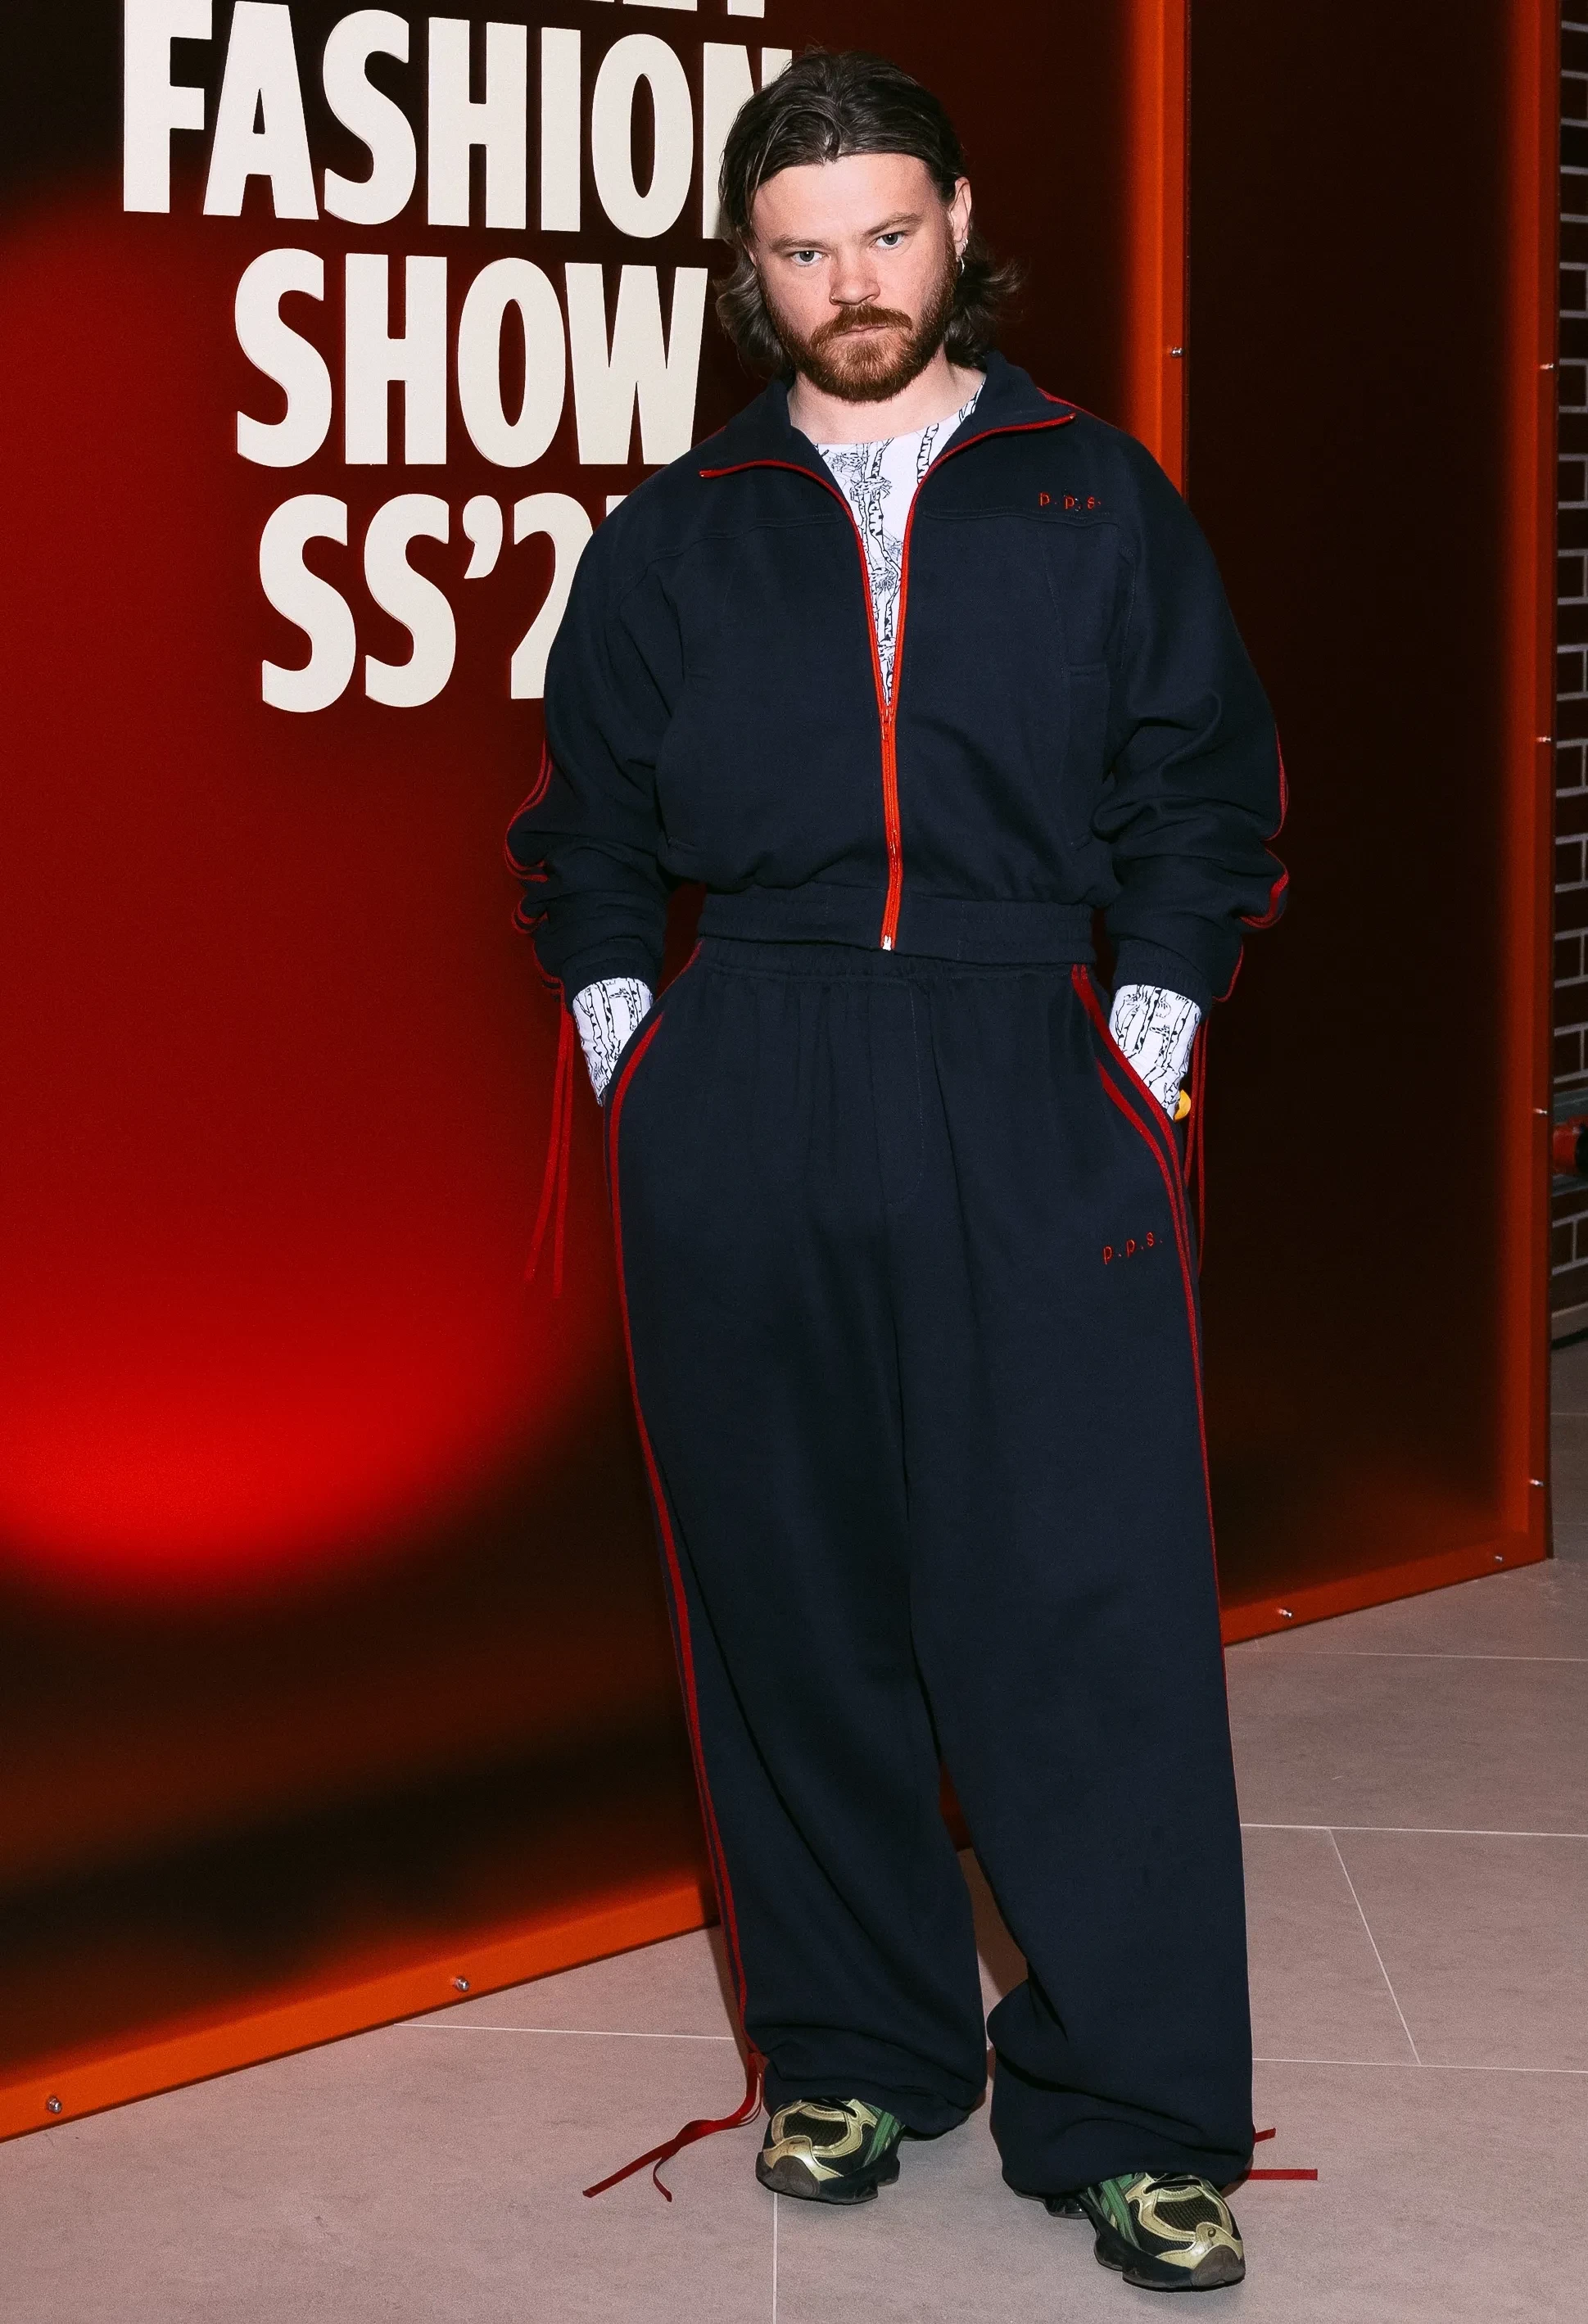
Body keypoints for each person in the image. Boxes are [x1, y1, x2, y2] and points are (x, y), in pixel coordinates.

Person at [507, 47, 1285, 2298]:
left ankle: (1138, 2111)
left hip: (1029, 1062)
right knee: (792, 1599)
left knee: (1085, 1607)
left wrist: (1141, 1053)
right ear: (751, 276)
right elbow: (584, 832)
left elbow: (1212, 796)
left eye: (885, 232)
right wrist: (638, 1047)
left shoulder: (1092, 495)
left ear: (956, 222)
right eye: (802, 250)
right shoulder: (677, 530)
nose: (851, 282)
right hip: (746, 1076)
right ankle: (855, 2049)